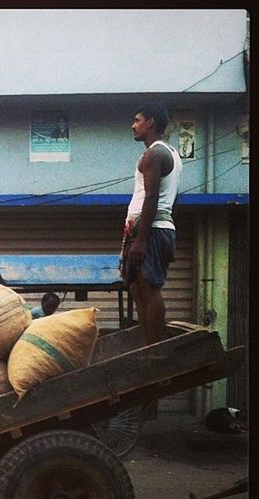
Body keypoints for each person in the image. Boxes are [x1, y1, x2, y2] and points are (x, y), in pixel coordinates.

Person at [120, 103, 182, 345]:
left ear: (151, 123)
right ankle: (148, 344)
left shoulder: (155, 154)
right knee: (136, 289)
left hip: (151, 230)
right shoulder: (172, 154)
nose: (133, 125)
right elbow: (175, 199)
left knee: (149, 288)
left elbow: (153, 197)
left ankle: (154, 348)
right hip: (153, 228)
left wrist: (142, 240)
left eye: (138, 120)